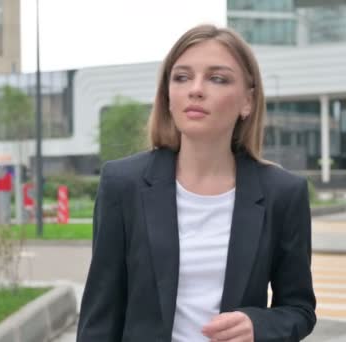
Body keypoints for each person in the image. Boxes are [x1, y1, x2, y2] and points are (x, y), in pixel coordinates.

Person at [77, 25, 316, 342]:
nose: (196, 89)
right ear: (168, 96)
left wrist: (259, 326)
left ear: (248, 101)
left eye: (218, 78)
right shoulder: (124, 184)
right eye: (182, 77)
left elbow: (299, 309)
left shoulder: (283, 194)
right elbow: (100, 315)